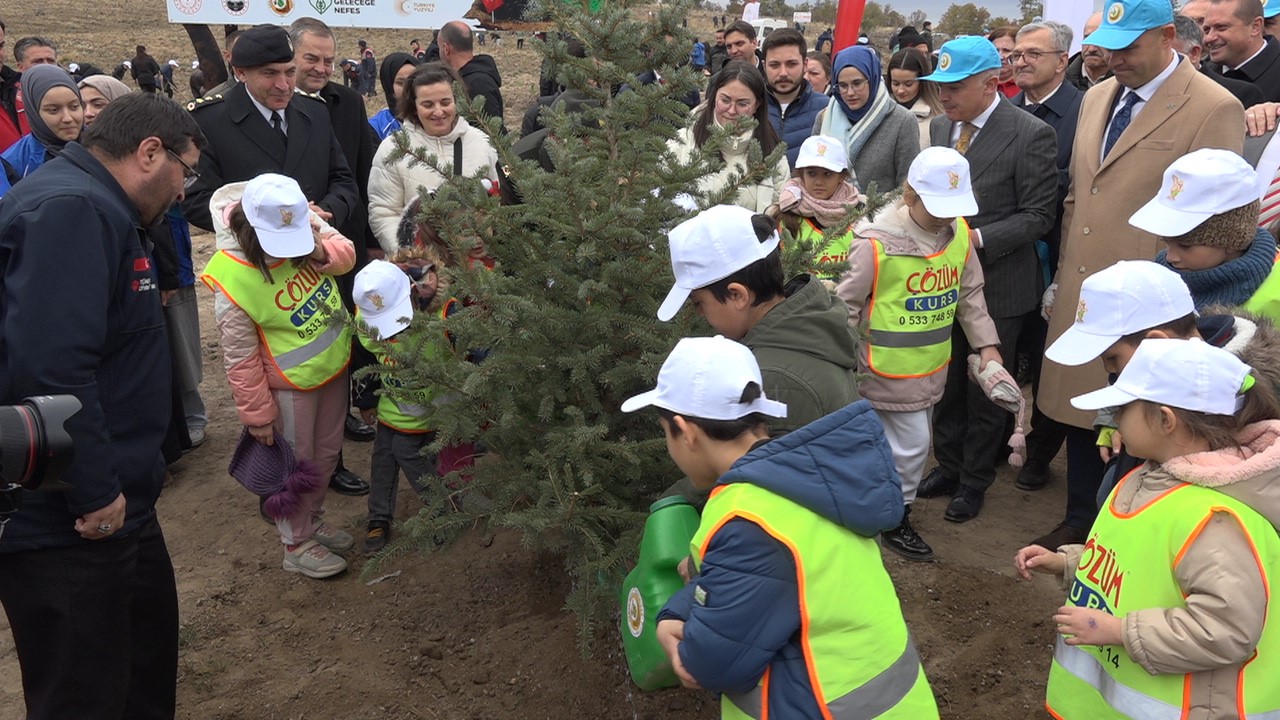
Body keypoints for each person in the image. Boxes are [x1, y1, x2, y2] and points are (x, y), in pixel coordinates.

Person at [0, 91, 204, 720]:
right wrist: (91, 491)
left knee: (137, 670)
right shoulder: (73, 211)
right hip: (71, 523)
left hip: (120, 502)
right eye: (185, 171)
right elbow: (51, 366)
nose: (183, 192)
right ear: (150, 152)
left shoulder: (103, 209)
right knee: (85, 691)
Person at [624, 336, 939, 719]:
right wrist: (684, 604)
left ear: (685, 430)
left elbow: (713, 663)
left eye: (665, 433)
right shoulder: (800, 479)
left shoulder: (749, 520)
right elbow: (770, 583)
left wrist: (676, 637)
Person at [1035, 0, 1245, 551]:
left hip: (1152, 302)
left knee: (1145, 419)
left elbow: (1211, 220)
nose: (1114, 58)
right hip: (1086, 290)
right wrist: (1063, 277)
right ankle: (1083, 518)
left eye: (1129, 46)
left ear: (1168, 37)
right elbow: (1081, 195)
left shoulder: (1211, 106)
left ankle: (1134, 532)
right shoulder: (1098, 97)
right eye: (1109, 45)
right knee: (1086, 411)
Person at [1016, 339, 1280, 720]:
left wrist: (1120, 631)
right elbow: (1140, 563)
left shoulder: (1216, 520)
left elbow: (1226, 628)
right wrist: (1069, 563)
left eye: (1123, 408)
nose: (1114, 417)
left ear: (1166, 420)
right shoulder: (1148, 478)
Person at [915, 36, 1058, 523]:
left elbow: (1038, 215)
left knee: (984, 390)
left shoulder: (1029, 133)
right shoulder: (938, 129)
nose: (945, 97)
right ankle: (949, 465)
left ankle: (975, 480)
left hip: (999, 285)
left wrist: (975, 240)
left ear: (991, 82)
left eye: (955, 87)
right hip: (942, 284)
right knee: (947, 382)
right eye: (939, 86)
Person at [835, 147, 1003, 562]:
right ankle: (893, 516)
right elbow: (846, 306)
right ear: (909, 195)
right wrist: (836, 362)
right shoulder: (874, 242)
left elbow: (970, 293)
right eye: (937, 207)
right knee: (909, 446)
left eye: (954, 207)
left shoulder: (958, 233)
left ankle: (885, 510)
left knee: (905, 446)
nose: (946, 217)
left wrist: (988, 346)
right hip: (876, 371)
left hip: (928, 369)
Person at [202, 173, 357, 578]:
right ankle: (295, 542)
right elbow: (239, 356)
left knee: (325, 455)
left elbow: (346, 254)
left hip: (332, 368)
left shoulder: (299, 216)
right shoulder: (232, 275)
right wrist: (258, 415)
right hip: (288, 387)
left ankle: (314, 520)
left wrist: (320, 248)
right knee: (296, 464)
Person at [657, 204, 860, 437]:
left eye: (698, 303)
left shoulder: (771, 380)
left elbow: (757, 472)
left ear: (737, 295)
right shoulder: (809, 331)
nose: (699, 314)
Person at [1007, 20, 1083, 492]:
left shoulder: (1086, 110)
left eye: (1034, 53)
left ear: (1063, 60)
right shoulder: (1008, 110)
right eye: (1017, 54)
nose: (1022, 61)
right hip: (1012, 258)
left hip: (1062, 255)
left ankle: (1040, 452)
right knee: (1011, 354)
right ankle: (999, 442)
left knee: (1052, 359)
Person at [352, 259, 440, 553]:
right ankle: (378, 517)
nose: (390, 336)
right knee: (382, 461)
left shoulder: (437, 321)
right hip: (392, 406)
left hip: (429, 409)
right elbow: (364, 359)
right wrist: (365, 400)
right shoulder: (364, 320)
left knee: (408, 453)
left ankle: (442, 508)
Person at [367, 63, 500, 252]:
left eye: (445, 102)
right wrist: (415, 258)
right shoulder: (393, 149)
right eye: (428, 105)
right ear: (414, 106)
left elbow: (494, 203)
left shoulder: (480, 143)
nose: (438, 112)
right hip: (427, 270)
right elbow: (384, 213)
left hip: (478, 267)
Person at [1130, 149, 1276, 308]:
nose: (1170, 257)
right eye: (1166, 242)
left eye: (1185, 245)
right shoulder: (1156, 281)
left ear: (1232, 239)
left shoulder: (1275, 289)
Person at [668, 62, 790, 213]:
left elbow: (780, 213)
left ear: (757, 104)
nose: (732, 111)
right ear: (714, 97)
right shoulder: (682, 142)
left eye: (742, 104)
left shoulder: (773, 156)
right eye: (725, 100)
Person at [814, 45, 920, 196]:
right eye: (843, 86)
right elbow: (810, 170)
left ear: (873, 78)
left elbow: (907, 186)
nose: (850, 93)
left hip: (880, 217)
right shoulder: (824, 118)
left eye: (857, 83)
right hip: (826, 214)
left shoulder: (902, 121)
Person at [775, 134, 861, 276]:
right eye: (812, 173)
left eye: (827, 174)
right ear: (801, 174)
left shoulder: (861, 213)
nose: (819, 182)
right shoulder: (785, 215)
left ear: (841, 177)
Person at [0, 64, 82, 196]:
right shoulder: (10, 163)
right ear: (33, 112)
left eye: (74, 107)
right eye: (53, 110)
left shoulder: (105, 148)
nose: (68, 118)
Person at [762, 29, 827, 168]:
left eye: (791, 64)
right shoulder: (750, 107)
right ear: (764, 66)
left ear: (805, 65)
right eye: (774, 65)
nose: (783, 73)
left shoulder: (827, 110)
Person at [1204, 0, 1280, 101]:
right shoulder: (1202, 74)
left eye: (1221, 28)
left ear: (1255, 27)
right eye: (1207, 30)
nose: (1208, 38)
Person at [439, 20, 505, 132]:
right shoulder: (464, 78)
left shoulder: (478, 84)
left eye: (439, 46)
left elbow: (493, 134)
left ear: (446, 49)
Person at [887, 47, 941, 151]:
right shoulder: (880, 114)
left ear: (922, 83)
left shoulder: (938, 119)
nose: (900, 90)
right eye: (896, 83)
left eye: (908, 84)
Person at [370, 53, 419, 140]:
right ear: (388, 85)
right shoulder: (376, 128)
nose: (408, 88)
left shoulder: (435, 117)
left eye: (413, 81)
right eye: (401, 83)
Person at [1066, 12, 1113, 90]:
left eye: (1099, 39)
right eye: (1087, 38)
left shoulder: (1125, 82)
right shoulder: (1060, 80)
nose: (1091, 49)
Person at [987, 25, 1021, 97]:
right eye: (995, 51)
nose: (1000, 56)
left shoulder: (1026, 86)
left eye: (1006, 50)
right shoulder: (980, 85)